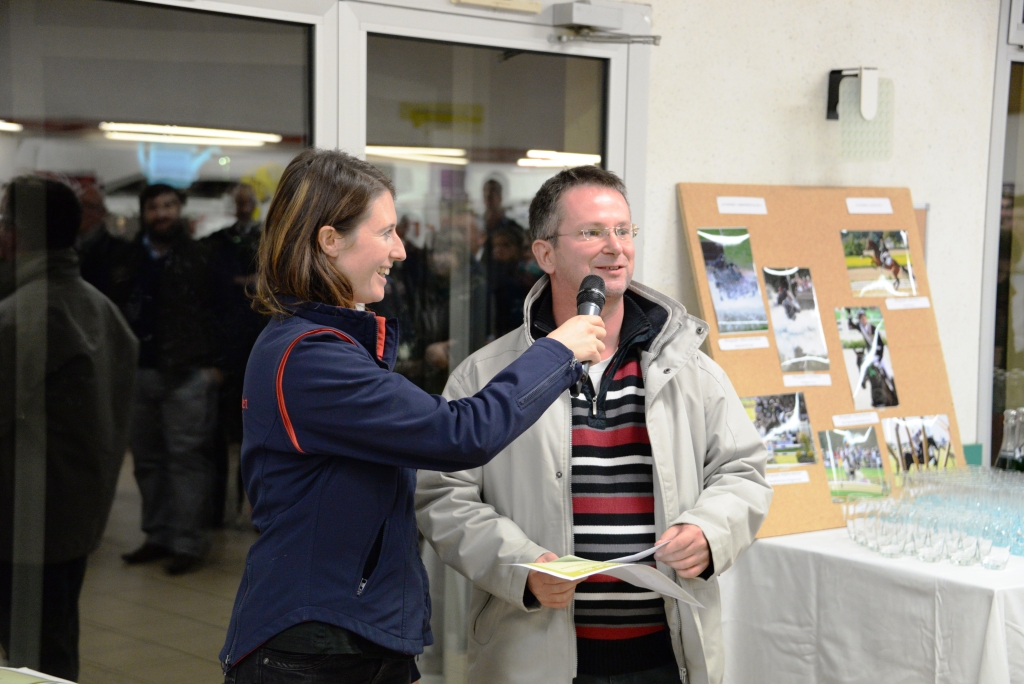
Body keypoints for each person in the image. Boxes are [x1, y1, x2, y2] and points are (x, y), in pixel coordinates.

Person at [218, 149, 606, 684]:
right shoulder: (310, 357)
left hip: (351, 634)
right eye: (386, 233)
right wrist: (558, 351)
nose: (400, 251)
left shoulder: (323, 343)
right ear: (330, 241)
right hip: (316, 647)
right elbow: (459, 434)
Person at [416, 166, 773, 684]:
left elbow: (744, 472)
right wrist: (522, 565)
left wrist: (709, 531)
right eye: (591, 232)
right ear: (545, 254)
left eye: (624, 230)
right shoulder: (487, 374)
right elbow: (444, 496)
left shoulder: (690, 367)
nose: (615, 247)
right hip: (534, 655)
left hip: (665, 655)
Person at [0, 176, 138, 680]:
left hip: (26, 525)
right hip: (71, 522)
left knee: (30, 660)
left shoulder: (24, 316)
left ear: (17, 233)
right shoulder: (98, 307)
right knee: (53, 649)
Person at [109, 184, 223, 575]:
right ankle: (157, 536)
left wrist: (218, 366)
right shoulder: (125, 258)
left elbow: (226, 311)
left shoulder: (202, 256)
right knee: (147, 461)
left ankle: (188, 543)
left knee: (186, 461)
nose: (162, 214)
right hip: (139, 372)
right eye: (155, 207)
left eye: (169, 206)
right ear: (144, 213)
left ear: (180, 210)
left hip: (188, 373)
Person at [202, 184, 267, 526]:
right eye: (239, 201)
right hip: (227, 356)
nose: (243, 207)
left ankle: (256, 510)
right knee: (218, 440)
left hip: (257, 349)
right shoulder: (219, 244)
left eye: (248, 201)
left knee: (254, 441)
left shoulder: (266, 240)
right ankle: (217, 512)